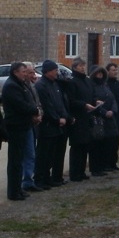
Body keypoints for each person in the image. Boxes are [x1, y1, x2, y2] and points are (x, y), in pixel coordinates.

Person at [2, 61, 40, 200]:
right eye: (23, 72)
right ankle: (13, 191)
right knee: (15, 161)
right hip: (16, 127)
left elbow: (29, 100)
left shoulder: (21, 84)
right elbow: (21, 105)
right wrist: (34, 110)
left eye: (26, 72)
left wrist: (35, 110)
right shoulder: (11, 86)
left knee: (22, 159)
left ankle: (19, 188)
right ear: (15, 72)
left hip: (24, 125)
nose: (25, 74)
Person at [35, 60, 70, 188]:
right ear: (48, 71)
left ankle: (48, 178)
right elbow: (47, 106)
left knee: (51, 155)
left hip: (57, 125)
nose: (57, 72)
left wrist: (64, 117)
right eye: (55, 70)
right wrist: (57, 119)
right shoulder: (41, 86)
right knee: (43, 155)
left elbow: (60, 103)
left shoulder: (55, 84)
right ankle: (39, 180)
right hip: (47, 126)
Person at [66, 57, 97, 182]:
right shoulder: (72, 81)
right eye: (80, 66)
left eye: (83, 65)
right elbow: (71, 100)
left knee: (85, 145)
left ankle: (82, 170)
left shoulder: (87, 80)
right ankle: (74, 173)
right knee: (77, 146)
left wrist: (95, 101)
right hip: (77, 117)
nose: (83, 68)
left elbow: (92, 94)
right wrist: (83, 105)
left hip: (87, 117)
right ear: (74, 68)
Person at [20, 62, 46, 192]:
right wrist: (33, 115)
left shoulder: (32, 86)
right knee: (24, 154)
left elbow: (38, 103)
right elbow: (23, 106)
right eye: (29, 72)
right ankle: (23, 181)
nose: (32, 75)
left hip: (34, 122)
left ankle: (29, 180)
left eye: (33, 72)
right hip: (25, 124)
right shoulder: (19, 87)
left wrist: (39, 114)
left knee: (31, 153)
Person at [88, 65, 118, 176]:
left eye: (101, 74)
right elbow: (94, 101)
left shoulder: (105, 85)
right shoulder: (92, 86)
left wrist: (113, 111)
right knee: (96, 145)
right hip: (98, 119)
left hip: (110, 118)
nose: (100, 76)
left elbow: (113, 99)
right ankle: (95, 168)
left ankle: (104, 165)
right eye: (98, 74)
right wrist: (104, 112)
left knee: (108, 143)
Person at [105, 62, 119, 171]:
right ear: (108, 71)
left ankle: (114, 163)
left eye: (116, 70)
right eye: (113, 70)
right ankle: (107, 163)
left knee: (116, 142)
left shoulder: (118, 84)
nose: (115, 72)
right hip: (110, 117)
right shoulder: (106, 84)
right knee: (109, 142)